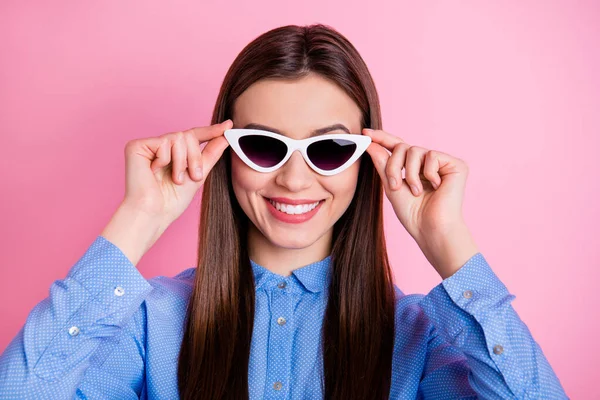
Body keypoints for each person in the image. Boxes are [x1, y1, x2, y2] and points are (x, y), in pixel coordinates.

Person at [0, 23, 568, 400]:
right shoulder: (151, 323)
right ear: (226, 152)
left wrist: (449, 244)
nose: (295, 178)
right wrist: (137, 220)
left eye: (328, 149)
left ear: (363, 160)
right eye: (265, 145)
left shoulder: (419, 335)